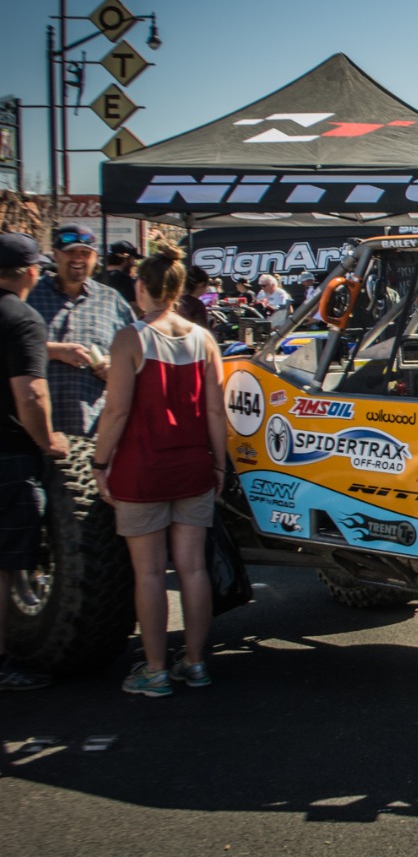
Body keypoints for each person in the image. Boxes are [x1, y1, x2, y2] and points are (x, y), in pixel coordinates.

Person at [91, 243, 228, 697]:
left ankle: (154, 670)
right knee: (193, 569)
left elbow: (115, 411)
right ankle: (196, 662)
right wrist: (219, 464)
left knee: (149, 574)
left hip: (142, 470)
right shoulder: (203, 339)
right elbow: (215, 412)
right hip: (193, 467)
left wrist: (99, 462)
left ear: (141, 287)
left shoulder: (130, 338)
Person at [0, 233, 68, 692]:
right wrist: (47, 441)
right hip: (9, 455)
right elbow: (31, 394)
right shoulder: (22, 317)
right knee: (6, 565)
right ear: (29, 272)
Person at [28, 224, 136, 439]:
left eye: (85, 253)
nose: (78, 258)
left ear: (95, 258)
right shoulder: (30, 296)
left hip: (94, 433)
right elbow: (8, 346)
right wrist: (55, 351)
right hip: (36, 433)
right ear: (56, 254)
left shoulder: (111, 300)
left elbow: (137, 356)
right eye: (70, 252)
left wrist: (116, 367)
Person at [99, 241, 140, 305]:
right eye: (133, 259)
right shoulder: (125, 280)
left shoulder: (95, 279)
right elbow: (132, 306)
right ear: (126, 259)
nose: (135, 264)